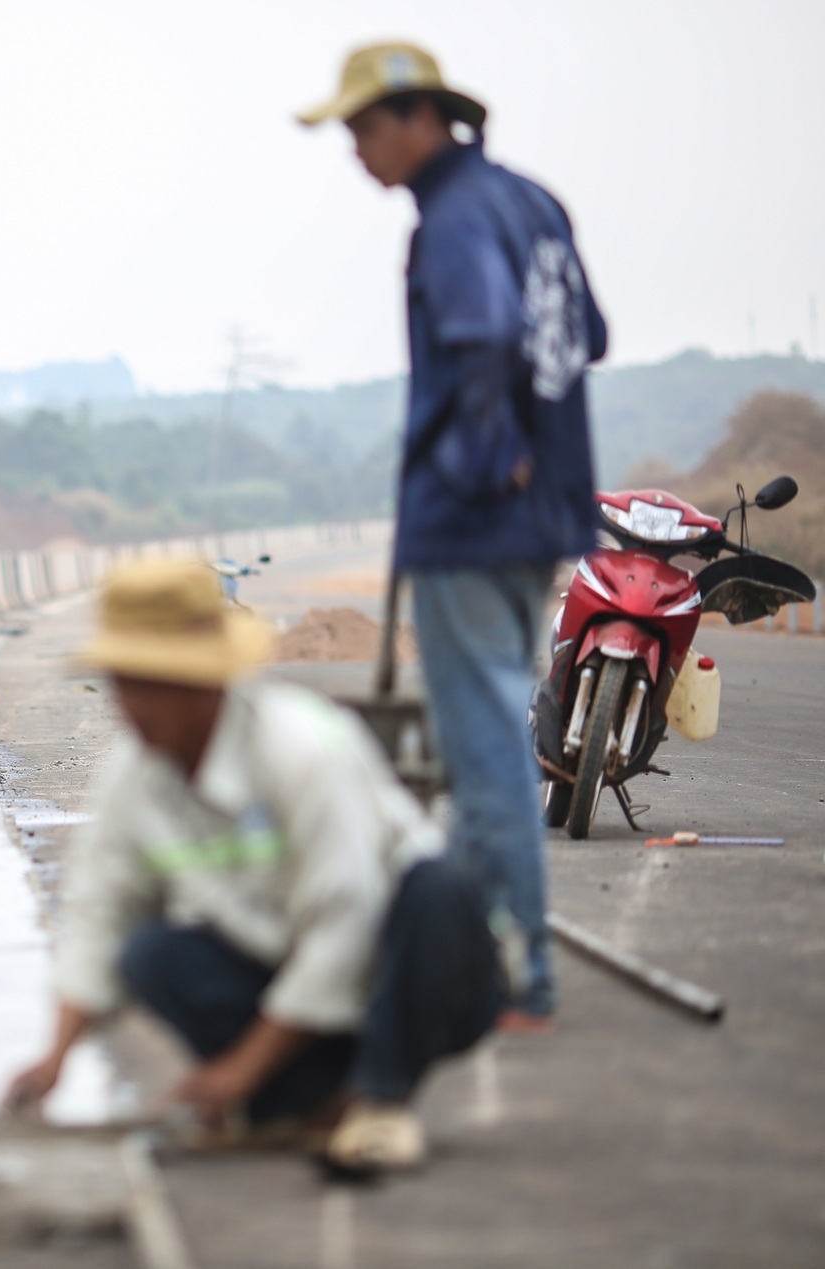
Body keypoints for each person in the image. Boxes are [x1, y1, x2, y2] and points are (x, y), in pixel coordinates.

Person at [5, 561, 502, 1175]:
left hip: (391, 975)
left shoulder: (303, 748)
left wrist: (237, 1070)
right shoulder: (134, 778)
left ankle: (381, 1095)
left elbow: (343, 926)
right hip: (282, 980)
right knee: (150, 954)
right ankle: (308, 1099)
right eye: (122, 684)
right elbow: (101, 913)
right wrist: (54, 1057)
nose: (129, 706)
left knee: (441, 888)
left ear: (203, 684)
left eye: (149, 685)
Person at [299, 43, 608, 1027]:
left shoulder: (456, 217)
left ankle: (519, 974)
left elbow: (480, 335)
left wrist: (484, 460)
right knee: (492, 734)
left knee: (484, 754)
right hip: (544, 514)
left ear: (421, 119)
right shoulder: (532, 203)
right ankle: (465, 957)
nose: (354, 150)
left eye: (362, 128)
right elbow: (587, 336)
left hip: (475, 519)